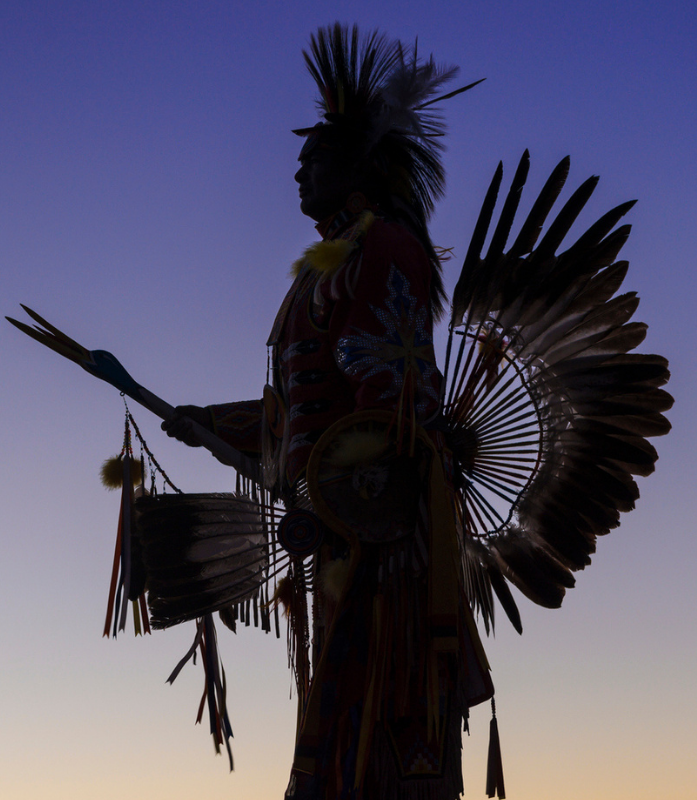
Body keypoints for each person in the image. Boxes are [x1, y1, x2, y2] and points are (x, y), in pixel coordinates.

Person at [161, 25, 492, 800]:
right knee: (344, 737)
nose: (298, 169)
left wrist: (350, 513)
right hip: (348, 541)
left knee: (385, 724)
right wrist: (210, 421)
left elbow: (399, 409)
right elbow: (303, 414)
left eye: (314, 156)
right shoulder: (325, 267)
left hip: (391, 546)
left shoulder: (383, 250)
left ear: (362, 168)